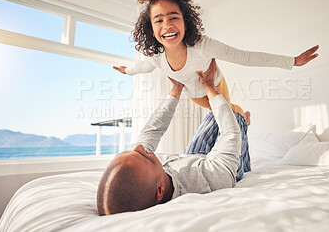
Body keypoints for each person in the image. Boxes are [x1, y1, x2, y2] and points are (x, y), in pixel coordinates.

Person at [113, 0, 319, 126]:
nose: (167, 25)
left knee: (225, 115)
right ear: (151, 28)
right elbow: (142, 67)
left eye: (174, 17)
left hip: (217, 85)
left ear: (186, 22)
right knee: (222, 113)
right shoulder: (157, 58)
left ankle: (242, 117)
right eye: (159, 20)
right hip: (195, 95)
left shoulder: (202, 46)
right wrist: (127, 70)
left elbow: (245, 58)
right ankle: (242, 115)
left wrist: (292, 61)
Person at [97, 59, 250, 215]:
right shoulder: (212, 180)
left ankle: (241, 119)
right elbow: (230, 133)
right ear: (160, 190)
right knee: (235, 118)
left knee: (215, 115)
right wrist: (209, 86)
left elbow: (152, 130)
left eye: (133, 150)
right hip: (215, 167)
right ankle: (245, 121)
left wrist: (176, 89)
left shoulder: (142, 168)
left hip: (189, 158)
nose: (140, 147)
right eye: (146, 157)